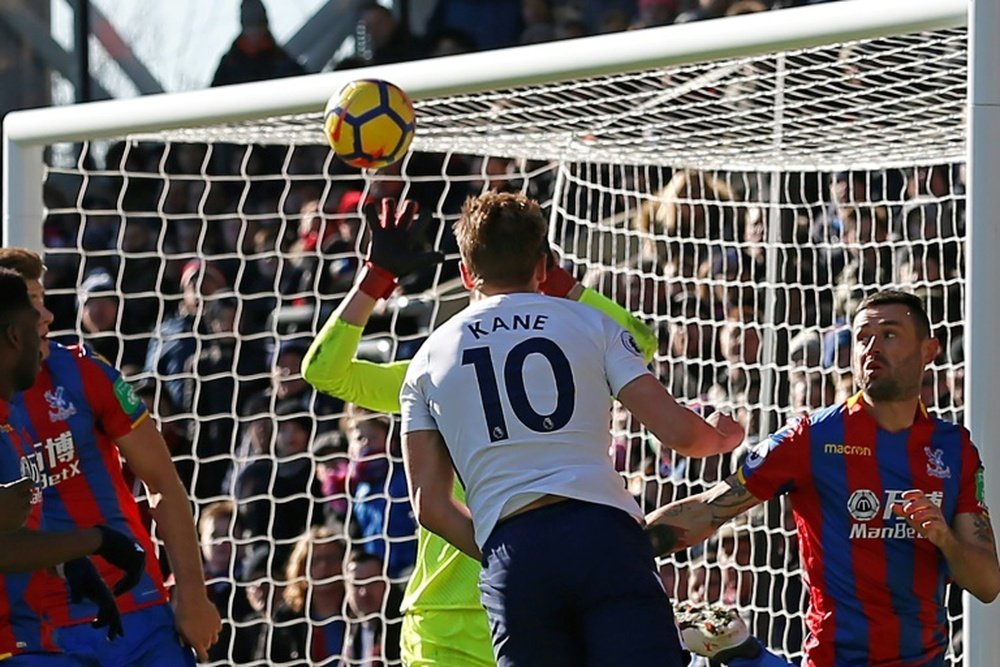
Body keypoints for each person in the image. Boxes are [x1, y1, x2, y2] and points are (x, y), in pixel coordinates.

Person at [301, 196, 662, 665]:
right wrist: (558, 282)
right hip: (463, 618)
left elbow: (323, 371)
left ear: (468, 274)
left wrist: (377, 278)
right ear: (538, 264)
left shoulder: (439, 371)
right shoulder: (434, 371)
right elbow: (324, 372)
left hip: (535, 603)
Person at [398, 192, 745, 666]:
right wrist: (721, 438)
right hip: (602, 536)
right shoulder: (590, 323)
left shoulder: (427, 360)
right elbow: (680, 434)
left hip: (514, 552)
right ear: (542, 265)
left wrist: (503, 551)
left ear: (464, 272)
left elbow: (431, 507)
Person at [645, 289, 1000, 667]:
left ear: (930, 351)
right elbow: (710, 508)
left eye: (890, 335)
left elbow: (987, 584)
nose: (872, 348)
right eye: (863, 337)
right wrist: (617, 544)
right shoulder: (812, 438)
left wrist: (944, 538)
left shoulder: (953, 448)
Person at [0, 249, 222, 665]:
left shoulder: (85, 372)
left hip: (135, 608)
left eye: (45, 302)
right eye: (32, 306)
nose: (47, 316)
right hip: (36, 634)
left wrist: (191, 592)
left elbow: (162, 480)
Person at [0, 267, 148, 666]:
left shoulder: (9, 424)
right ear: (16, 335)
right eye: (35, 320)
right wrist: (96, 540)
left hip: (35, 639)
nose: (47, 325)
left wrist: (68, 562)